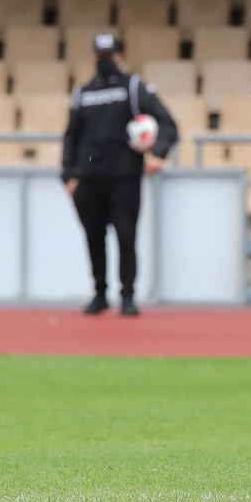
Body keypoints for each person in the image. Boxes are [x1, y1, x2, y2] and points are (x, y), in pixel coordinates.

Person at [62, 33, 179, 317]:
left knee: (126, 237)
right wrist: (68, 176)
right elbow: (71, 137)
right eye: (100, 57)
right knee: (94, 238)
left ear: (119, 56)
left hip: (124, 177)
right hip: (89, 180)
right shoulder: (82, 93)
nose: (105, 61)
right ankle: (100, 294)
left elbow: (167, 123)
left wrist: (159, 154)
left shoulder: (134, 87)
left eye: (110, 56)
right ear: (93, 58)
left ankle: (128, 296)